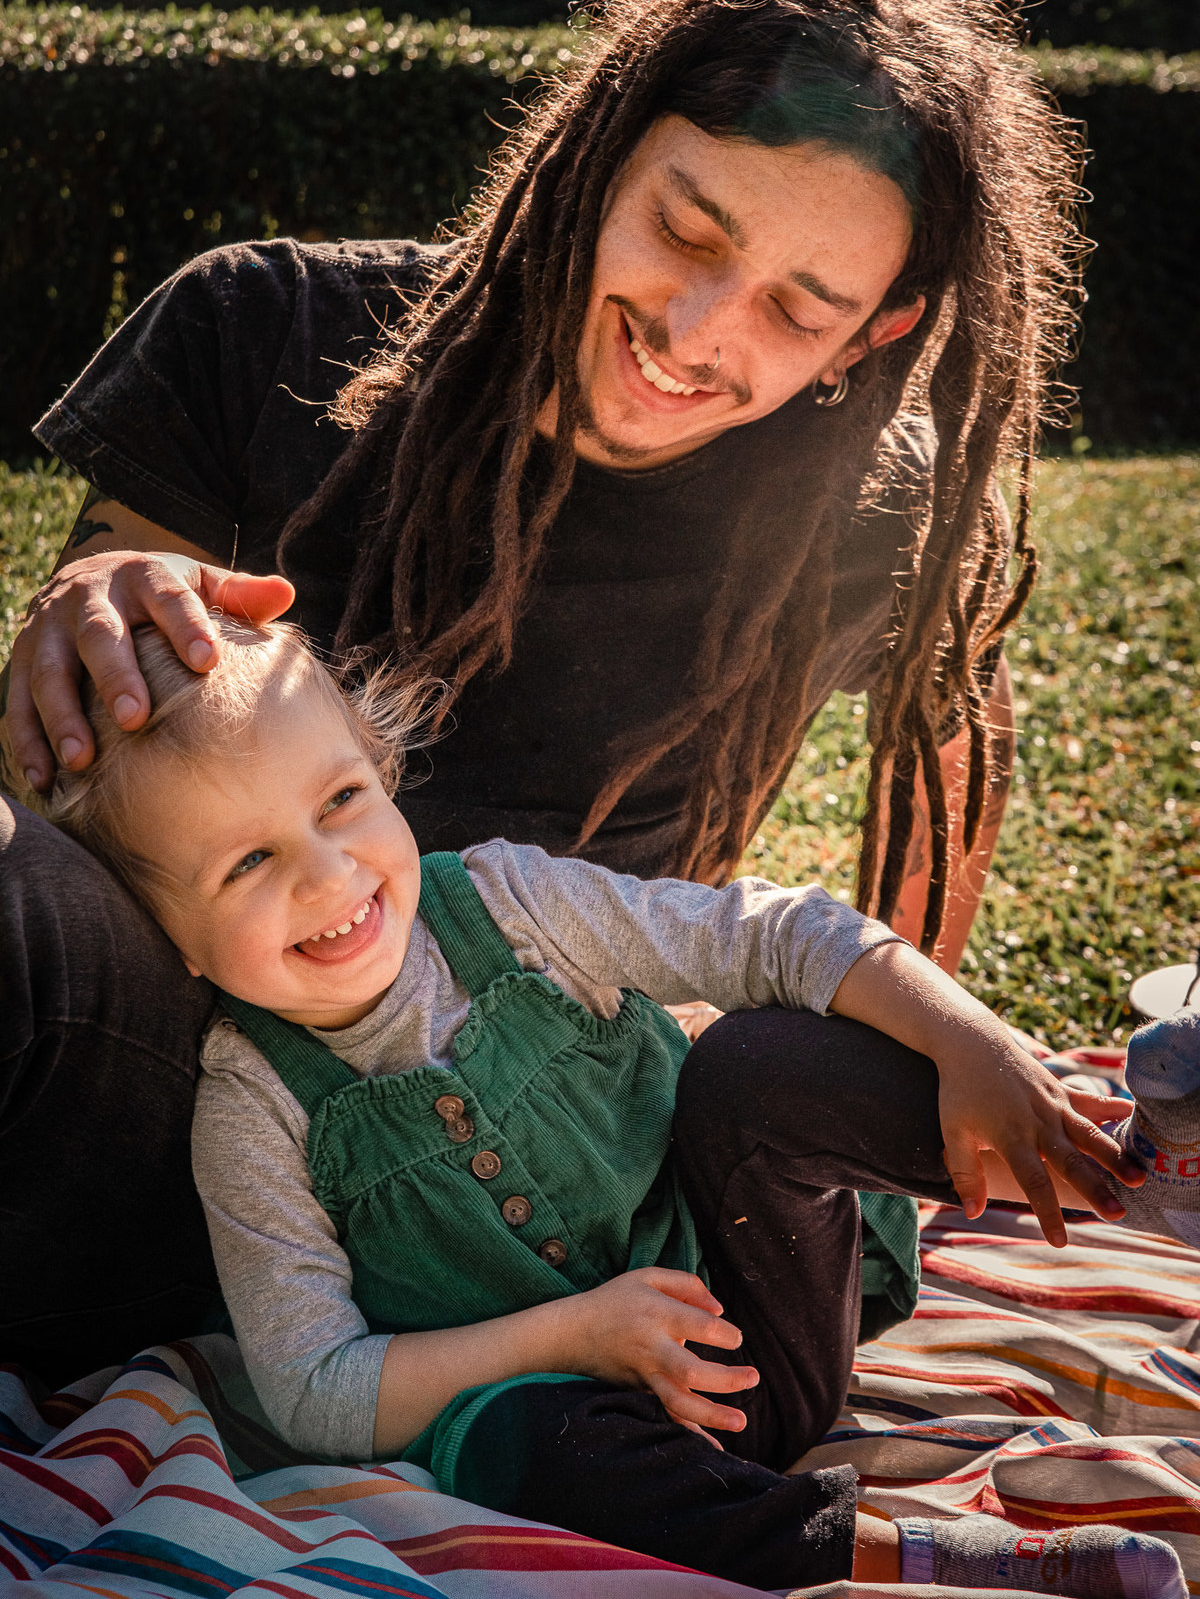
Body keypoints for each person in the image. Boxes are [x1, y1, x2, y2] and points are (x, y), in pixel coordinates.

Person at [1, 0, 1078, 1375]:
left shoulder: (850, 521)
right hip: (170, 1139)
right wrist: (74, 615)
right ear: (600, 150)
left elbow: (953, 733)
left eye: (798, 308)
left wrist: (921, 1040)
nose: (697, 332)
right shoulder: (255, 329)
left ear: (875, 331)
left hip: (522, 1210)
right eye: (685, 229)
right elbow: (62, 770)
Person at [41, 613, 1186, 1597]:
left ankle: (1116, 1169)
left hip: (758, 1308)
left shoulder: (512, 906)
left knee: (751, 1062)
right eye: (245, 864)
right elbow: (312, 1388)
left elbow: (768, 934)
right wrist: (573, 1334)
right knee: (512, 1447)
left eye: (340, 798)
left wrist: (969, 1037)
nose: (326, 872)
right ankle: (944, 1557)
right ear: (171, 942)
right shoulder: (251, 1108)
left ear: (378, 770)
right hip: (599, 1431)